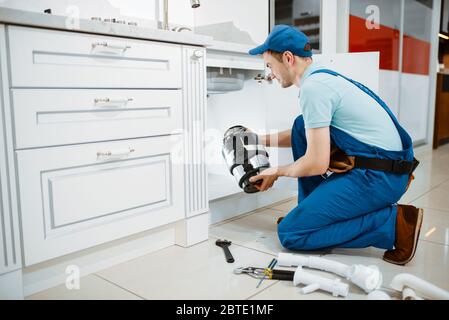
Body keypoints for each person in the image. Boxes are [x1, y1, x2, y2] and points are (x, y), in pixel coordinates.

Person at [247, 25, 422, 265]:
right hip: (387, 168)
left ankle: (392, 224)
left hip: (379, 178)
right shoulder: (324, 78)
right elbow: (308, 133)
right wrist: (258, 138)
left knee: (291, 234)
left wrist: (277, 171)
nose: (269, 73)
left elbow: (317, 164)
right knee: (301, 126)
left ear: (287, 58)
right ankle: (309, 216)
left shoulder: (314, 89)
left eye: (269, 66)